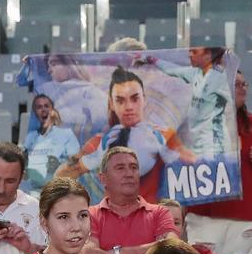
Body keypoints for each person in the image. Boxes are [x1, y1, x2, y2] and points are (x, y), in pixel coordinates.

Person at [59, 67, 193, 204]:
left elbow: (198, 174)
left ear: (144, 100)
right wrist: (94, 159)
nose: (129, 107)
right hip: (115, 220)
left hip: (154, 221)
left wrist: (169, 156)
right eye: (120, 100)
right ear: (111, 104)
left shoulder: (165, 136)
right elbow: (60, 177)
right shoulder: (102, 142)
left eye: (135, 99)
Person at [186, 70, 252, 254]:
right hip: (206, 213)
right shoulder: (197, 122)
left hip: (244, 212)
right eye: (237, 84)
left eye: (244, 84)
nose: (242, 88)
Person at [23, 95, 80, 192]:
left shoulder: (66, 134)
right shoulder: (30, 137)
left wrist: (59, 165)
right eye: (39, 107)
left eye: (46, 106)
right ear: (35, 112)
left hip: (58, 191)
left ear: (52, 110)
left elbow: (76, 163)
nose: (43, 110)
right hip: (33, 192)